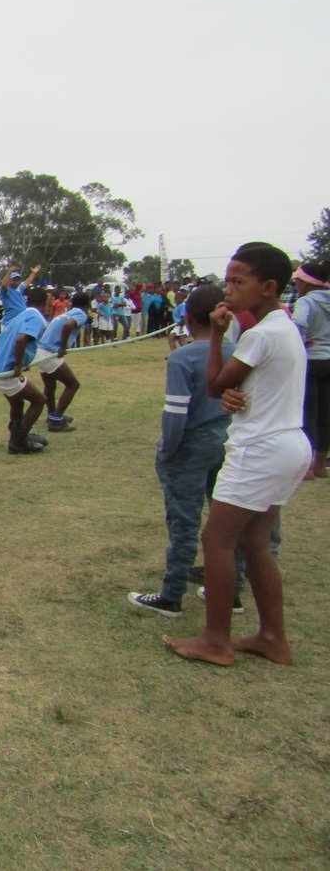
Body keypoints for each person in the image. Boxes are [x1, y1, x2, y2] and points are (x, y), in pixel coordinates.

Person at [163, 244, 309, 666]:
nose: (228, 289)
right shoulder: (284, 327)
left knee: (216, 539)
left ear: (267, 288)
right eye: (227, 280)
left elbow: (213, 385)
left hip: (259, 449)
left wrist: (217, 340)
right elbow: (239, 388)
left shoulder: (259, 333)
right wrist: (234, 394)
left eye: (237, 281)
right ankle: (272, 637)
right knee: (256, 542)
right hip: (288, 444)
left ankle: (216, 640)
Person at [128, 285, 240, 617]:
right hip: (228, 442)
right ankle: (231, 592)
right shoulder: (238, 350)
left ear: (187, 319)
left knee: (184, 524)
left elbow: (176, 415)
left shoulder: (182, 357)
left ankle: (172, 595)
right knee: (230, 521)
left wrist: (167, 451)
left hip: (191, 446)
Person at [0, 287, 50, 454]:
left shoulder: (19, 316)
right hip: (6, 372)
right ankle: (18, 440)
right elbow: (22, 339)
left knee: (17, 402)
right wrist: (17, 365)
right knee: (39, 400)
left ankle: (19, 432)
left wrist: (17, 360)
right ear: (45, 303)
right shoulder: (36, 317)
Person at [292, 260, 330, 478]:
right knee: (326, 412)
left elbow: (299, 322)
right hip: (329, 359)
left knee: (308, 411)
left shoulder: (306, 301)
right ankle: (320, 464)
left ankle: (306, 466)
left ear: (306, 283)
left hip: (311, 359)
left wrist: (301, 340)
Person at [37, 291, 91, 433]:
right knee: (73, 384)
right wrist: (62, 347)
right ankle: (56, 419)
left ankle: (52, 414)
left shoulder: (68, 312)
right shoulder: (80, 314)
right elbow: (68, 326)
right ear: (87, 305)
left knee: (50, 385)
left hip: (40, 352)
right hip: (50, 353)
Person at [0, 263, 41, 330]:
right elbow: (3, 285)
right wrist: (9, 272)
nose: (16, 282)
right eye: (14, 280)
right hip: (9, 324)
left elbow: (27, 281)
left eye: (17, 281)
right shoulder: (6, 291)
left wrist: (33, 273)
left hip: (20, 322)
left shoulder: (19, 289)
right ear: (8, 280)